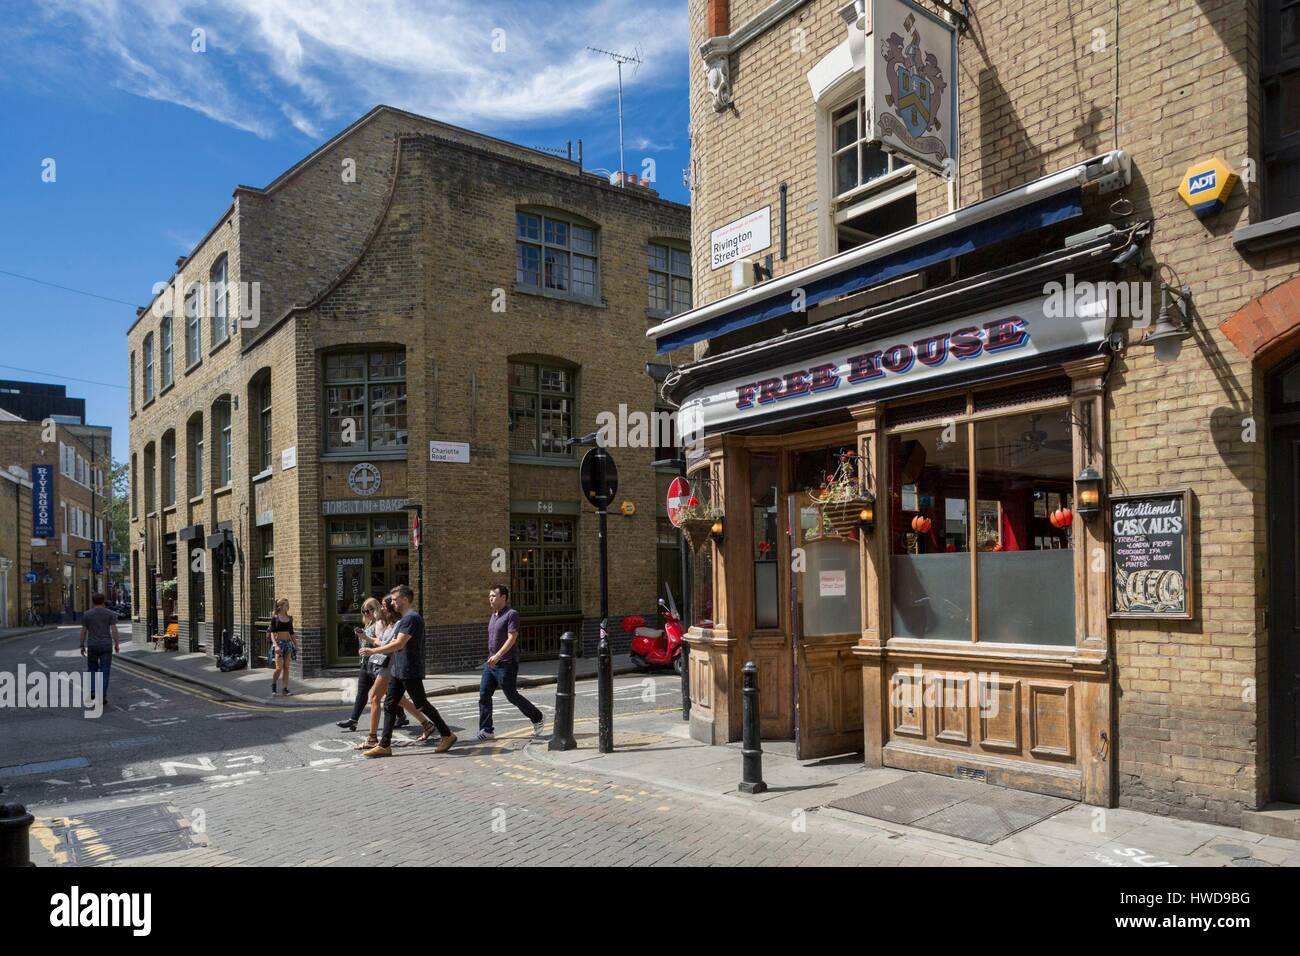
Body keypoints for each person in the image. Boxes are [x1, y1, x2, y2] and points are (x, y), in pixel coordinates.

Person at [361, 584, 455, 756]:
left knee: (422, 704)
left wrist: (372, 650)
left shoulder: (411, 618)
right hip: (398, 669)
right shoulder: (404, 619)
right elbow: (391, 643)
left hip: (409, 669)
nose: (393, 603)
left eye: (396, 600)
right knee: (390, 704)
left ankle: (447, 735)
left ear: (404, 599)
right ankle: (384, 745)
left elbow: (399, 643)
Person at [348, 596, 431, 749]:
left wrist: (371, 650)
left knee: (374, 698)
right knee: (400, 700)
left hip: (390, 666)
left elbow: (394, 645)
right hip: (386, 666)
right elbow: (382, 642)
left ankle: (373, 738)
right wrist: (366, 637)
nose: (383, 609)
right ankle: (427, 724)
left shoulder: (399, 623)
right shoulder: (389, 624)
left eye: (385, 606)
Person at [471, 584, 544, 742]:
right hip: (491, 664)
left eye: (493, 596)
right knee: (484, 694)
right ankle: (487, 730)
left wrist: (498, 655)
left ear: (503, 597)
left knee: (511, 696)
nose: (490, 599)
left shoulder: (512, 614)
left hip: (506, 663)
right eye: (489, 596)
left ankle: (537, 717)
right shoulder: (494, 615)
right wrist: (492, 658)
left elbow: (512, 638)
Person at [79, 593, 120, 706]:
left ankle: (92, 690)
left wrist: (82, 645)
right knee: (104, 671)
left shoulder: (87, 614)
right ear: (103, 601)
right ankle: (102, 696)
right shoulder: (110, 614)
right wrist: (116, 644)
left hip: (92, 645)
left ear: (92, 602)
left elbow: (83, 631)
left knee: (92, 669)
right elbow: (114, 630)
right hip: (106, 645)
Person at [268, 598, 299, 696]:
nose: (288, 607)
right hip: (279, 645)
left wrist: (296, 644)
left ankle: (285, 689)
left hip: (288, 644)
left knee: (286, 667)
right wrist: (275, 645)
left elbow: (292, 633)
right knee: (279, 668)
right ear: (280, 606)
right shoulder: (275, 618)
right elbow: (272, 634)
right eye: (286, 605)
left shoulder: (289, 618)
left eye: (288, 605)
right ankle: (273, 684)